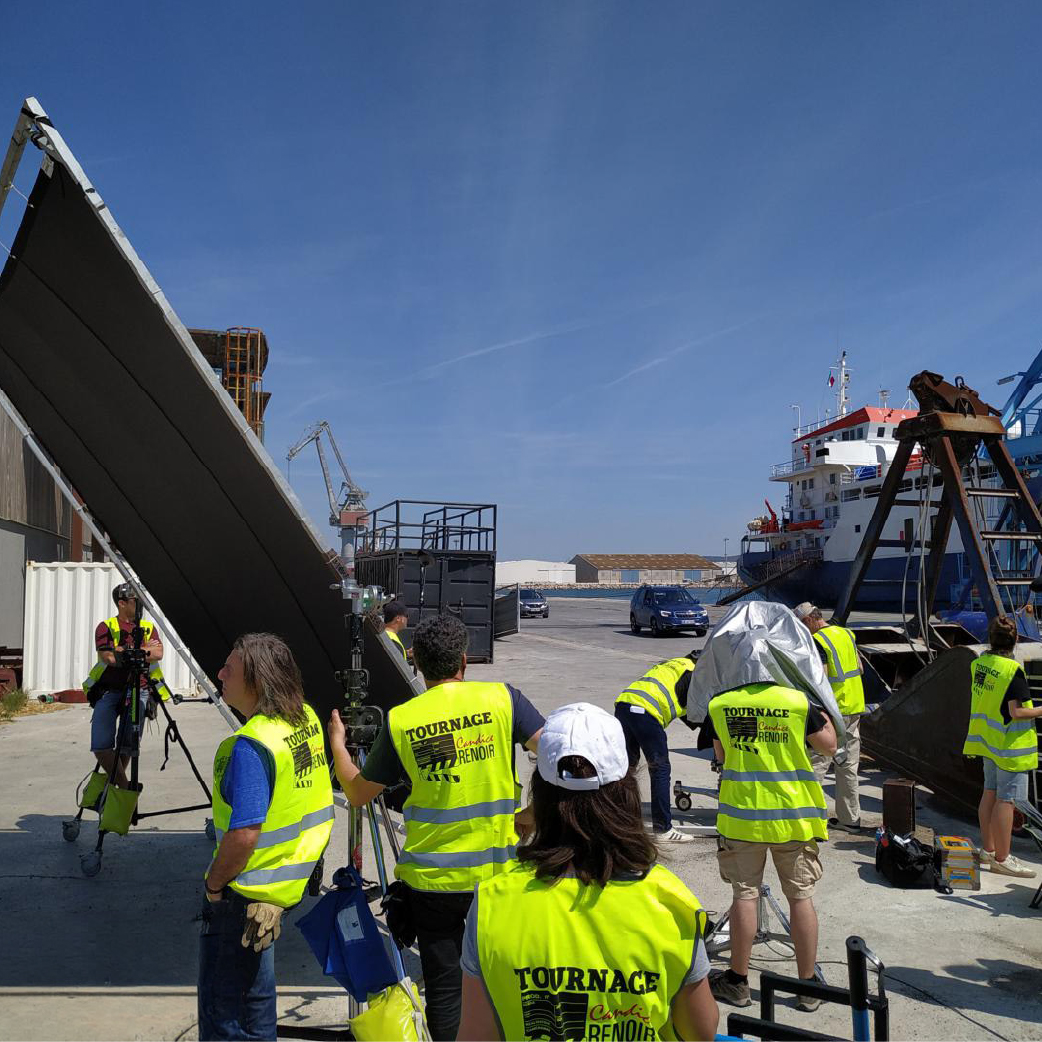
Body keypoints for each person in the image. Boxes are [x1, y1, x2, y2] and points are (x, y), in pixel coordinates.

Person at [328, 613, 544, 1041]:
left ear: (417, 664)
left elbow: (357, 793)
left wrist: (338, 744)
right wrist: (533, 814)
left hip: (433, 883)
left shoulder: (403, 720)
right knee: (506, 983)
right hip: (497, 876)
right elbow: (562, 757)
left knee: (446, 992)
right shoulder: (505, 699)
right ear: (464, 658)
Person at [457, 702, 719, 1041]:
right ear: (625, 790)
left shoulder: (493, 904)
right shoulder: (672, 903)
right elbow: (701, 1030)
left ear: (541, 795)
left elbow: (476, 1035)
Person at [198, 633, 335, 1041]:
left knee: (226, 1015)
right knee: (256, 1003)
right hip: (279, 893)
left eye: (230, 670)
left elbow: (244, 833)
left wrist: (213, 885)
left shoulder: (252, 746)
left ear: (256, 683)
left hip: (243, 897)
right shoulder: (304, 719)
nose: (219, 674)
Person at [703, 675, 837, 1011]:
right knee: (800, 897)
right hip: (793, 818)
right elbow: (830, 746)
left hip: (743, 818)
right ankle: (808, 988)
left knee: (744, 895)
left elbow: (721, 756)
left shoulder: (720, 705)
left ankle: (737, 982)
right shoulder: (797, 701)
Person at [963, 614, 1041, 879]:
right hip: (1010, 746)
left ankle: (988, 850)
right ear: (1016, 640)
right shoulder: (1012, 671)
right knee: (1006, 801)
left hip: (988, 741)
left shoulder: (980, 663)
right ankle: (1003, 858)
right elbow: (1017, 712)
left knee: (990, 793)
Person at [82, 582, 168, 788]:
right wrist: (140, 649)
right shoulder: (106, 626)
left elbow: (158, 653)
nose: (141, 606)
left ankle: (116, 793)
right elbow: (108, 657)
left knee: (128, 745)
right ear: (122, 603)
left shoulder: (147, 627)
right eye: (135, 601)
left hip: (140, 690)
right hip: (109, 690)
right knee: (101, 746)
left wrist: (124, 650)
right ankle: (125, 787)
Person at [794, 602, 865, 834]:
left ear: (809, 621)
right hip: (854, 707)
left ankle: (811, 820)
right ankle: (850, 820)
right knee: (848, 766)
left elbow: (819, 681)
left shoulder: (818, 642)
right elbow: (860, 668)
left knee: (817, 764)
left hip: (832, 712)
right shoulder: (846, 634)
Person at [614, 654, 699, 842]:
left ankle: (618, 821)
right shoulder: (694, 673)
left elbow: (681, 703)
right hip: (646, 712)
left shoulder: (674, 665)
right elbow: (695, 711)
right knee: (660, 768)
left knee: (626, 769)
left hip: (624, 705)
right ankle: (663, 829)